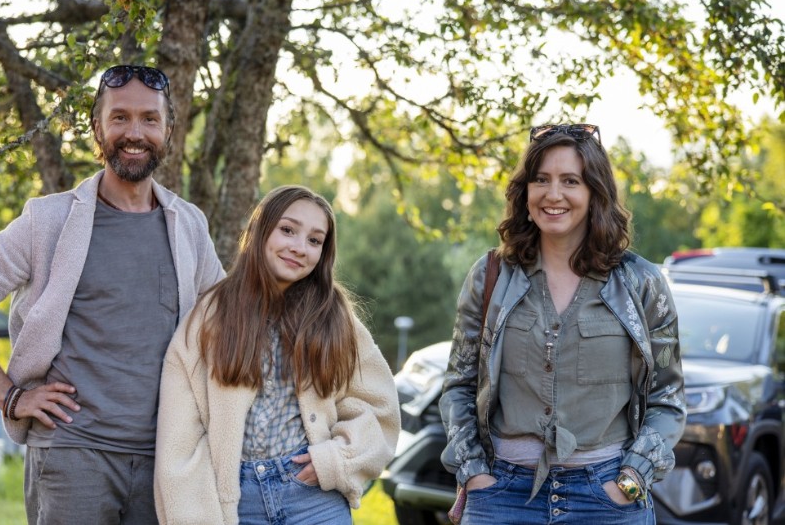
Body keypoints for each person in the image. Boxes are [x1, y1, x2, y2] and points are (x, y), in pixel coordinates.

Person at [0, 64, 225, 525]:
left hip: (166, 458)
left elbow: (228, 326)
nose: (135, 132)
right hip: (71, 455)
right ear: (97, 128)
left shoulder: (189, 225)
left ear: (169, 129)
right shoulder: (47, 221)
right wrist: (10, 397)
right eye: (119, 117)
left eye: (149, 119)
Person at [439, 123, 686, 524]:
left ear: (594, 192)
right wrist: (475, 473)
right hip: (500, 497)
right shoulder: (491, 277)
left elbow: (667, 397)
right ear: (526, 191)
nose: (553, 195)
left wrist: (630, 481)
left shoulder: (640, 282)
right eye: (541, 180)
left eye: (570, 180)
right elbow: (458, 386)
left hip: (606, 500)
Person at [154, 185, 400, 525]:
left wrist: (335, 460)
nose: (299, 248)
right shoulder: (210, 316)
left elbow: (378, 406)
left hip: (313, 499)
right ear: (260, 230)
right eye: (288, 230)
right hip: (235, 503)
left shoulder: (335, 317)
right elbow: (180, 439)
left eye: (315, 240)